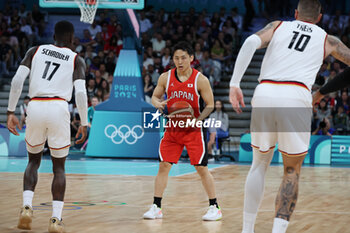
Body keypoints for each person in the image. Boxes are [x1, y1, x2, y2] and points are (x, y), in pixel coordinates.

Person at [229, 0, 350, 233]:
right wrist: (323, 92)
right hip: (296, 96)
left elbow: (250, 41)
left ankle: (247, 230)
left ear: (295, 14)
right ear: (320, 18)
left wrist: (235, 83)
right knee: (291, 171)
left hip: (265, 92)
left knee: (258, 164)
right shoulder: (329, 40)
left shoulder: (278, 26)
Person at [6, 21, 88, 233]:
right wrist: (84, 122)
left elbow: (16, 81)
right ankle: (55, 220)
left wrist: (10, 112)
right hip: (59, 107)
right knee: (58, 167)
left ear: (54, 36)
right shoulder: (76, 59)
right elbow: (80, 93)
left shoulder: (35, 51)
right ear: (72, 39)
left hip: (35, 105)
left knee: (33, 162)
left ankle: (26, 207)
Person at [143, 41, 222, 221]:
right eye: (176, 58)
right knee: (164, 166)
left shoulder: (200, 80)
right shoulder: (165, 77)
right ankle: (156, 206)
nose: (180, 61)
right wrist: (157, 103)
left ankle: (214, 206)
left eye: (183, 58)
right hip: (172, 129)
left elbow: (209, 105)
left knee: (201, 168)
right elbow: (155, 97)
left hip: (193, 130)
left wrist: (197, 120)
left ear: (191, 58)